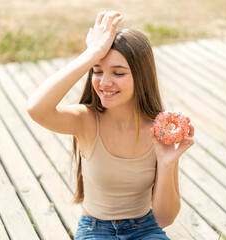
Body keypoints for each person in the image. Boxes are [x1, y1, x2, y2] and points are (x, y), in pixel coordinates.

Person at [27, 10, 195, 240]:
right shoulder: (86, 120)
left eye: (118, 73)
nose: (105, 83)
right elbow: (36, 109)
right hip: (95, 230)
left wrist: (166, 164)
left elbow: (164, 219)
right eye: (97, 71)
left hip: (145, 229)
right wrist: (92, 53)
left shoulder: (161, 130)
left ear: (141, 76)